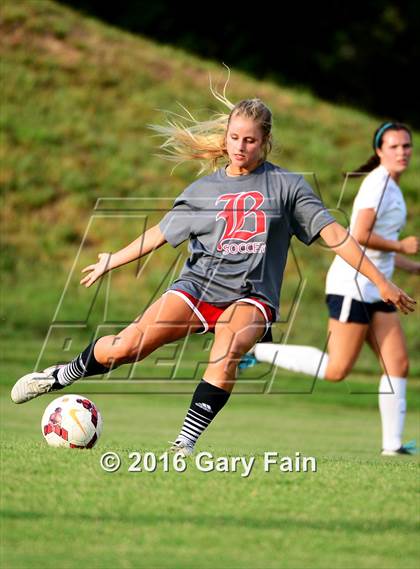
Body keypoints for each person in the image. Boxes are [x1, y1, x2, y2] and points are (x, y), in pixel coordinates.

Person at [11, 98, 416, 457]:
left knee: (227, 348)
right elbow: (159, 234)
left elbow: (337, 236)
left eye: (251, 140)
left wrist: (382, 282)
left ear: (266, 142)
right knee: (125, 347)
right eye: (235, 137)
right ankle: (58, 376)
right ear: (226, 138)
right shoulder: (204, 190)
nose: (241, 146)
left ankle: (183, 445)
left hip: (252, 296)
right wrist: (110, 260)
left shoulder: (289, 187)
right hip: (197, 288)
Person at [247, 122, 419, 455]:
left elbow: (376, 248)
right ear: (380, 151)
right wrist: (403, 247)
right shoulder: (377, 184)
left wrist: (409, 266)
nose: (402, 152)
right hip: (352, 285)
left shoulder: (393, 188)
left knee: (398, 364)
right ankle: (257, 351)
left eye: (407, 146)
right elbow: (360, 235)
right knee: (338, 370)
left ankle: (392, 446)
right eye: (394, 146)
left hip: (378, 289)